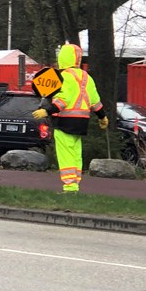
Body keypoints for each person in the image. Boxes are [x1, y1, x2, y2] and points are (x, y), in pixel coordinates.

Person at [32, 43, 108, 193]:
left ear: (62, 58)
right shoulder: (87, 78)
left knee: (66, 155)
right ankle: (76, 184)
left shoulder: (63, 77)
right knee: (76, 155)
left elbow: (62, 101)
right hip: (81, 123)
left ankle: (70, 187)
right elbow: (95, 102)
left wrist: (46, 111)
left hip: (64, 122)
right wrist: (102, 117)